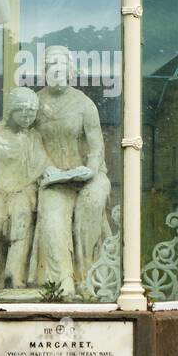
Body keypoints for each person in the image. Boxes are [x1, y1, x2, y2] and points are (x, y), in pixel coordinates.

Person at [30, 46, 110, 297]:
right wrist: (46, 170)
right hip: (52, 177)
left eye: (60, 63)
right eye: (49, 64)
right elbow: (29, 144)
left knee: (92, 203)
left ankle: (87, 277)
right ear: (43, 71)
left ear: (70, 70)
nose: (55, 68)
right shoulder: (35, 103)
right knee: (53, 221)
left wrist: (90, 171)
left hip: (88, 175)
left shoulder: (85, 105)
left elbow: (97, 147)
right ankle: (62, 281)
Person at [0, 87, 49, 290]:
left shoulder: (33, 138)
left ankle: (14, 277)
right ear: (11, 110)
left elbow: (43, 166)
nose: (27, 116)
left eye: (32, 111)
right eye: (22, 110)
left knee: (21, 222)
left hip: (23, 191)